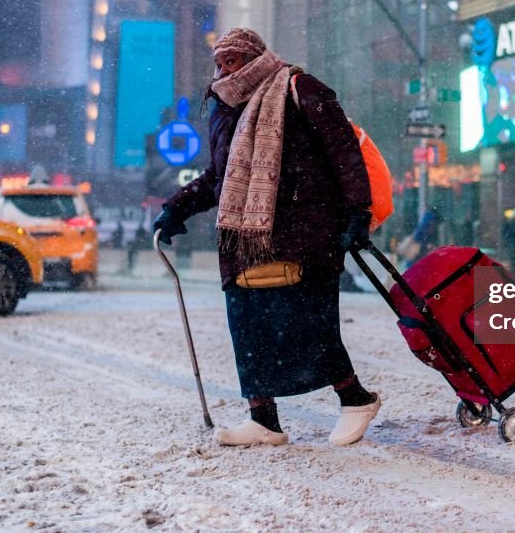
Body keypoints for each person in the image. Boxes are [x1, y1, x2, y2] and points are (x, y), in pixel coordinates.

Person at [152, 28, 379, 448]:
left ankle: (355, 398)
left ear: (254, 58)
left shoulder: (298, 88)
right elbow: (220, 176)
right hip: (244, 237)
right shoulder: (223, 107)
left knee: (310, 322)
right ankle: (263, 419)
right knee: (247, 325)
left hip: (305, 231)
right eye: (219, 63)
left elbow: (343, 152)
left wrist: (357, 213)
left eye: (232, 61)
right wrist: (176, 206)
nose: (223, 70)